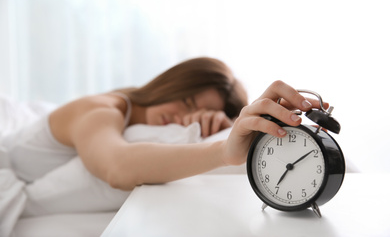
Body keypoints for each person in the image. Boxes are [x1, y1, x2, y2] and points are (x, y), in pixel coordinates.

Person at [5, 57, 324, 191]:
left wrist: (211, 124)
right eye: (187, 102)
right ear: (171, 84)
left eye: (200, 112)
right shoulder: (101, 111)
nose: (183, 118)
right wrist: (224, 152)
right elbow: (117, 168)